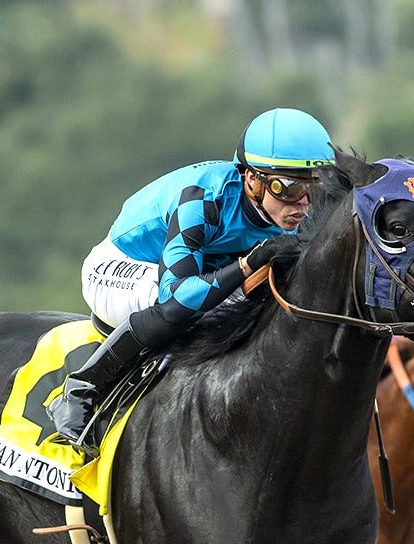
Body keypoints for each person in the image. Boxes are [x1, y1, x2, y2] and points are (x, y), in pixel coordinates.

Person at [48, 107, 335, 450]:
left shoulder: (289, 212)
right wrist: (247, 265)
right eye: (287, 188)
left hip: (195, 271)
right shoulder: (203, 199)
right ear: (252, 180)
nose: (303, 203)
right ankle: (80, 390)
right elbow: (176, 297)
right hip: (122, 267)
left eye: (315, 189)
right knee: (182, 310)